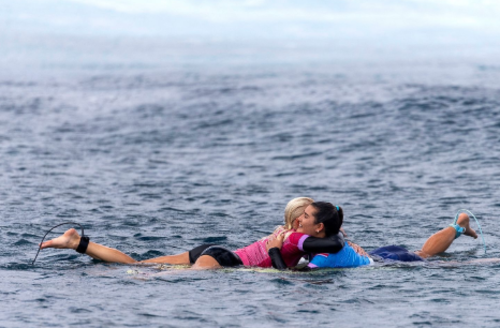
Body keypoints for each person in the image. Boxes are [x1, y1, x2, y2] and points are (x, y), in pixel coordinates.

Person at [40, 200, 345, 270]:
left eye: (306, 216)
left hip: (214, 251)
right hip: (225, 261)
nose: (301, 220)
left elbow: (329, 242)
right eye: (302, 215)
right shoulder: (294, 239)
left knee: (138, 264)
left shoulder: (286, 232)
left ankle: (77, 242)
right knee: (149, 278)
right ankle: (77, 244)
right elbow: (329, 246)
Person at [268, 211, 479, 270]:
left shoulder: (323, 259)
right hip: (378, 254)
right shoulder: (329, 237)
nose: (298, 220)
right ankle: (459, 227)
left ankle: (461, 228)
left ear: (319, 227)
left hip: (389, 261)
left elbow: (286, 275)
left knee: (439, 261)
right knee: (424, 253)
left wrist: (274, 251)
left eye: (305, 217)